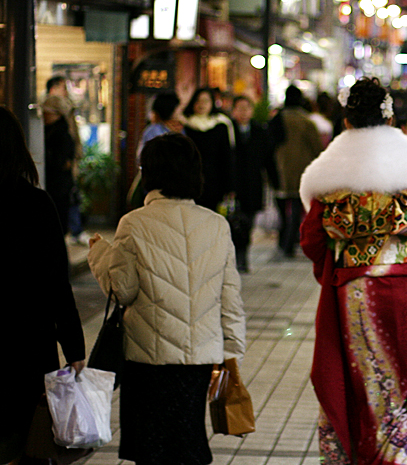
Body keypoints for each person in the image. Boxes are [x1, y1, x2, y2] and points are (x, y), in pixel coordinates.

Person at [298, 77, 407, 464]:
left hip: (355, 291)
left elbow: (311, 239)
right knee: (406, 383)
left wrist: (338, 269)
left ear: (347, 121)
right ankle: (400, 456)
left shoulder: (330, 172)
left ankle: (372, 453)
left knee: (370, 380)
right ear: (391, 120)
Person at [87, 133, 246, 465]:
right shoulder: (217, 225)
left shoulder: (134, 223)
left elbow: (123, 289)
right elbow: (230, 298)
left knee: (151, 448)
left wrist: (100, 254)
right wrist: (232, 354)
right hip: (199, 360)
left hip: (147, 361)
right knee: (188, 443)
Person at [0, 106, 86, 464]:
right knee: (26, 442)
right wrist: (74, 345)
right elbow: (56, 283)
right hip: (27, 346)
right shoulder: (36, 204)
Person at [231, 95, 279, 272]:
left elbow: (268, 159)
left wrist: (275, 182)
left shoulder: (259, 131)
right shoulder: (228, 130)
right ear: (234, 110)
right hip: (233, 184)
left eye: (246, 108)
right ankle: (235, 256)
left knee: (248, 221)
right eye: (240, 108)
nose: (243, 112)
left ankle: (243, 256)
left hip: (253, 184)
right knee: (233, 222)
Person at [275, 85, 323, 257]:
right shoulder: (306, 121)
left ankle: (282, 242)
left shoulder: (277, 119)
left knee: (281, 208)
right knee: (296, 208)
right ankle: (289, 244)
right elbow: (316, 148)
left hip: (278, 169)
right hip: (301, 170)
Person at [46, 76, 91, 246]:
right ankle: (75, 229)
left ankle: (75, 229)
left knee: (70, 195)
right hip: (59, 175)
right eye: (62, 86)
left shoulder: (63, 119)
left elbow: (73, 137)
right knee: (68, 196)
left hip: (62, 173)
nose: (65, 89)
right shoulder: (55, 117)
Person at [183, 87, 235, 210]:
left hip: (215, 183)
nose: (202, 105)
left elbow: (227, 158)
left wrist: (230, 187)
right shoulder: (185, 126)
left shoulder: (220, 126)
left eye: (206, 101)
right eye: (198, 101)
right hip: (190, 183)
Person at [42, 94, 77, 236]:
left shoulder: (60, 134)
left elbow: (59, 161)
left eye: (47, 113)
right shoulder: (55, 131)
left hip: (57, 188)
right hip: (58, 187)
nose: (44, 116)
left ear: (56, 114)